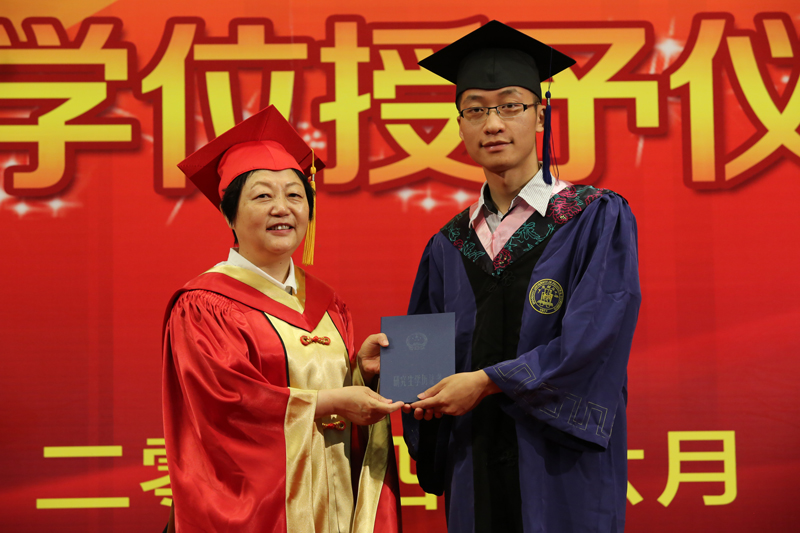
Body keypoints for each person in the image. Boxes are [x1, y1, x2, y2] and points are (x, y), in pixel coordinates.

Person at [401, 21, 641, 532]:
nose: (493, 124)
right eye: (476, 110)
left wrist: (489, 381)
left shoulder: (593, 217)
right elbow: (424, 377)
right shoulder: (447, 245)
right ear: (459, 125)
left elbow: (594, 340)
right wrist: (388, 371)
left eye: (510, 105)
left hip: (560, 469)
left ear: (540, 115)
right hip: (474, 465)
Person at [162, 105, 403, 532]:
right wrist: (330, 402)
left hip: (333, 503)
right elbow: (226, 408)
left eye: (294, 195)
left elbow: (332, 395)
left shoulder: (328, 304)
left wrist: (360, 374)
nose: (282, 208)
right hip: (262, 514)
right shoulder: (204, 305)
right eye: (262, 196)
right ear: (228, 214)